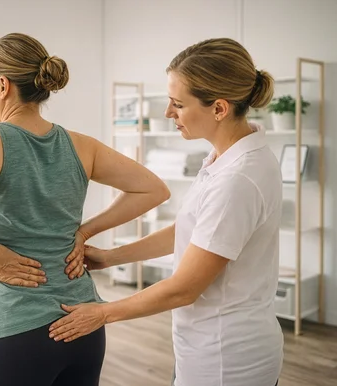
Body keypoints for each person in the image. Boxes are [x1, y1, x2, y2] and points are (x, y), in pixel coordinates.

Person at [0, 32, 170, 386]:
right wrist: (85, 231)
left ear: (3, 86)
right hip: (83, 323)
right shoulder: (81, 145)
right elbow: (153, 189)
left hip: (10, 329)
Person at [50, 37, 284, 386]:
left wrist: (102, 314)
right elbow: (192, 231)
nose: (168, 113)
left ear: (219, 108)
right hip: (207, 344)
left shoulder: (237, 180)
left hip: (225, 358)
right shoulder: (227, 156)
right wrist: (112, 257)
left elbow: (183, 289)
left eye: (177, 104)